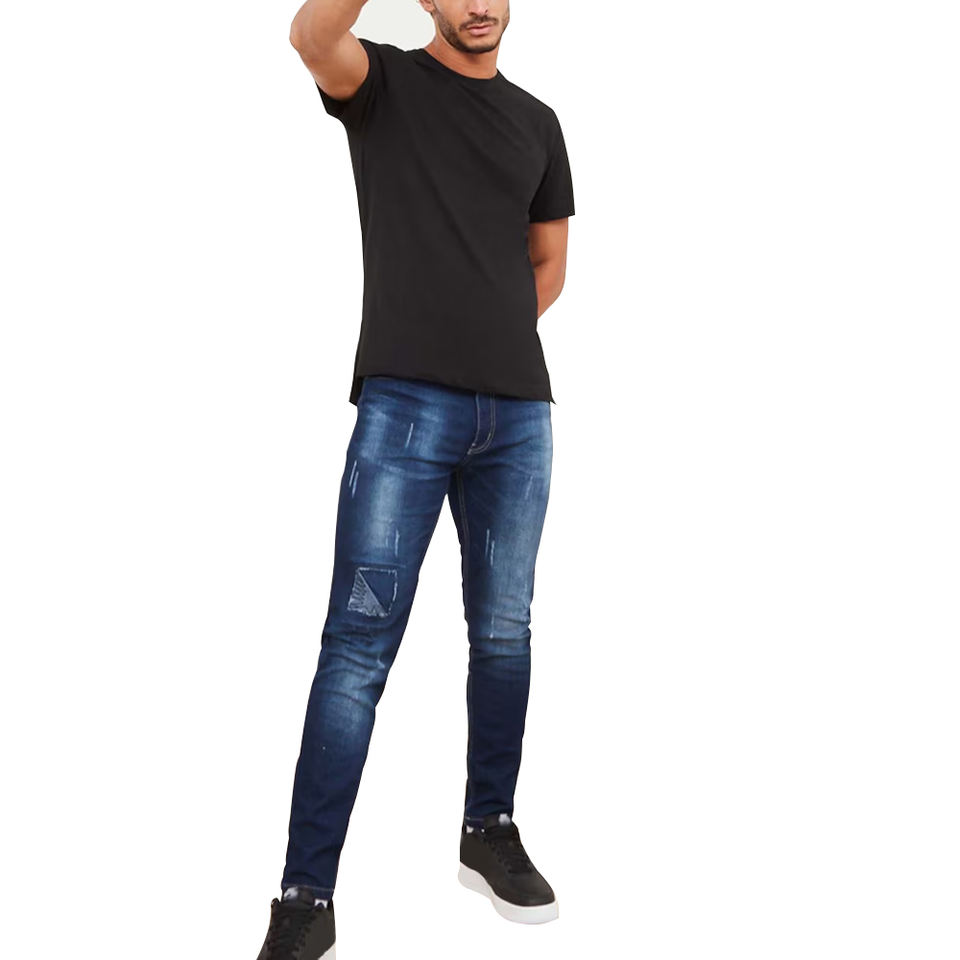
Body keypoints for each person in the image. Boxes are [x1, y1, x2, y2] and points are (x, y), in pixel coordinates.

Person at [256, 2, 574, 956]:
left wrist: (486, 329)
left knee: (505, 634)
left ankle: (489, 828)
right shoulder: (386, 84)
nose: (479, 4)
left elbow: (549, 262)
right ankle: (305, 896)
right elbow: (311, 39)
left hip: (518, 417)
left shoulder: (539, 122)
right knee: (357, 648)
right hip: (404, 409)